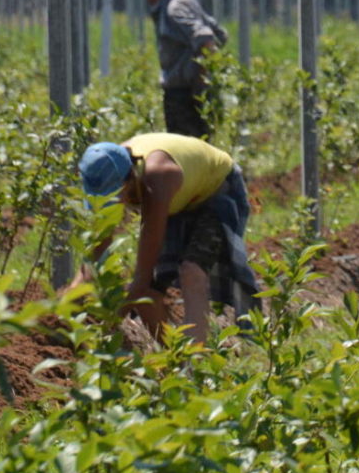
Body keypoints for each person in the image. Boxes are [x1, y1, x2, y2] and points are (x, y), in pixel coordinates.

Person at [77, 132, 258, 345]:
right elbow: (96, 259)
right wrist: (66, 307)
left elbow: (141, 278)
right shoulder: (105, 169)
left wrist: (108, 323)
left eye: (114, 197)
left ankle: (194, 367)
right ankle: (173, 360)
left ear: (129, 179)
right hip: (181, 194)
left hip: (217, 187)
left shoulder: (158, 179)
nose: (111, 205)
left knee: (192, 272)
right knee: (148, 294)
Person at [137, 0, 226, 138]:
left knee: (186, 158)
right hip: (187, 95)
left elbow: (207, 40)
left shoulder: (174, 7)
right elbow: (220, 35)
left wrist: (200, 84)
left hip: (185, 97)